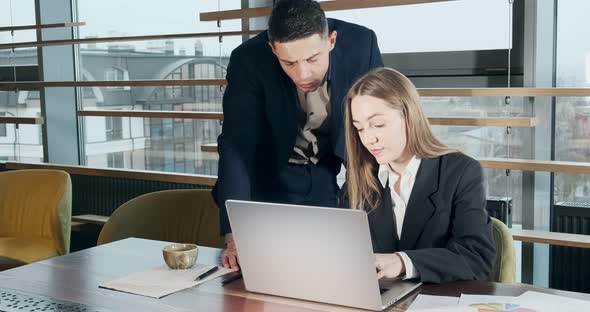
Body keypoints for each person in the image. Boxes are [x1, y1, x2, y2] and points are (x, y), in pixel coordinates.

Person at [214, 0, 383, 271]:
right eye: (288, 62)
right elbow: (236, 146)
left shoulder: (362, 45)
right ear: (272, 49)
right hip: (267, 179)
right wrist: (234, 234)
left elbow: (371, 129)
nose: (302, 74)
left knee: (335, 266)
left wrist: (364, 210)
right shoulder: (248, 59)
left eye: (312, 59)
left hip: (326, 171)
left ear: (331, 40)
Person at [342, 67, 496, 283]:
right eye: (360, 128)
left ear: (409, 116)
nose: (368, 139)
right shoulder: (359, 178)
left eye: (377, 125)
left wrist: (402, 262)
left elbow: (476, 257)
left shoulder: (461, 172)